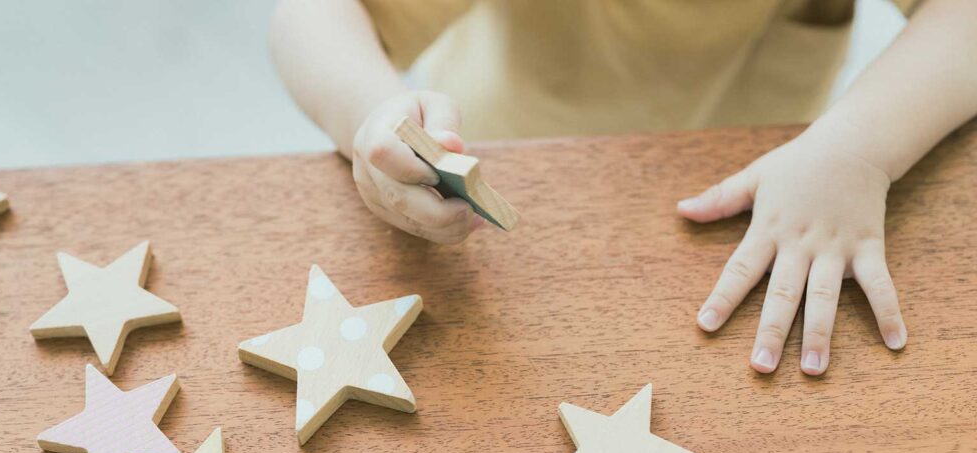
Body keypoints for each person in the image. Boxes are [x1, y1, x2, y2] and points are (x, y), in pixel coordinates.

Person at [269, 0, 977, 375]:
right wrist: (368, 111)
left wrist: (858, 149)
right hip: (509, 184)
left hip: (768, 189)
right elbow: (312, 15)